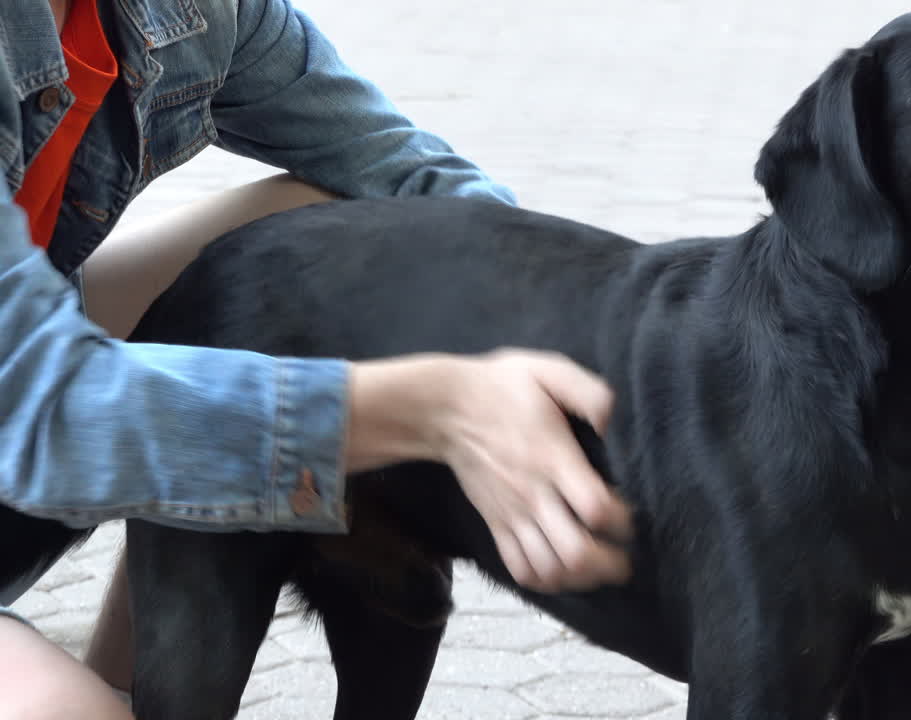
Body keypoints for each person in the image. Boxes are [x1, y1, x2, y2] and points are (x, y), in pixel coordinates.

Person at [0, 0, 634, 717]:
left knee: (321, 228)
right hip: (29, 403)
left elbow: (404, 172)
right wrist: (431, 406)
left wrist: (568, 336)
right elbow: (41, 410)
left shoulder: (183, 13)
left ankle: (139, 685)